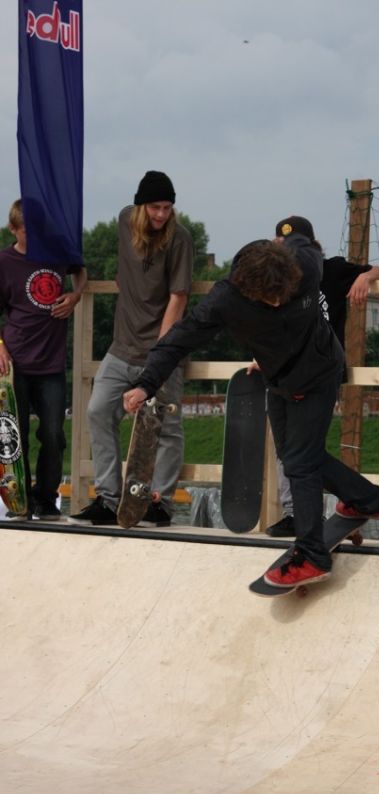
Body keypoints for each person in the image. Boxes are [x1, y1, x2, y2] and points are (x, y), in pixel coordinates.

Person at [123, 225, 379, 589]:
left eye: (284, 295)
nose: (278, 303)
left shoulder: (307, 263)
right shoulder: (224, 299)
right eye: (269, 299)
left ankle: (311, 554)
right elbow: (177, 341)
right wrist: (145, 383)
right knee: (295, 455)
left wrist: (288, 241)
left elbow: (299, 238)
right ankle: (368, 499)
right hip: (278, 380)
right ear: (247, 290)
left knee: (300, 463)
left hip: (321, 370)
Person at [69, 171, 193, 527]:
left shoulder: (180, 238)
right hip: (122, 347)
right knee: (97, 411)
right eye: (155, 207)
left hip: (161, 351)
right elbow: (125, 272)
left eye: (168, 208)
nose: (161, 215)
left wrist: (163, 351)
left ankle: (161, 504)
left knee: (166, 426)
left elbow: (178, 297)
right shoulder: (125, 220)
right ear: (141, 206)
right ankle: (109, 500)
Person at [265, 215, 379, 537]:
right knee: (290, 452)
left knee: (303, 452)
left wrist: (365, 278)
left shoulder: (329, 269)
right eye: (281, 246)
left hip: (321, 372)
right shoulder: (277, 277)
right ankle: (310, 513)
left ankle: (347, 505)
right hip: (285, 373)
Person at [0, 199, 87, 520]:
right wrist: (0, 347)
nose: (34, 236)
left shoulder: (56, 250)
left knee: (53, 434)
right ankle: (19, 502)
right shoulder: (5, 262)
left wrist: (76, 296)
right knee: (15, 434)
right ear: (13, 229)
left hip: (51, 363)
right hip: (15, 364)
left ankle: (45, 498)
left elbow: (80, 269)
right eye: (27, 230)